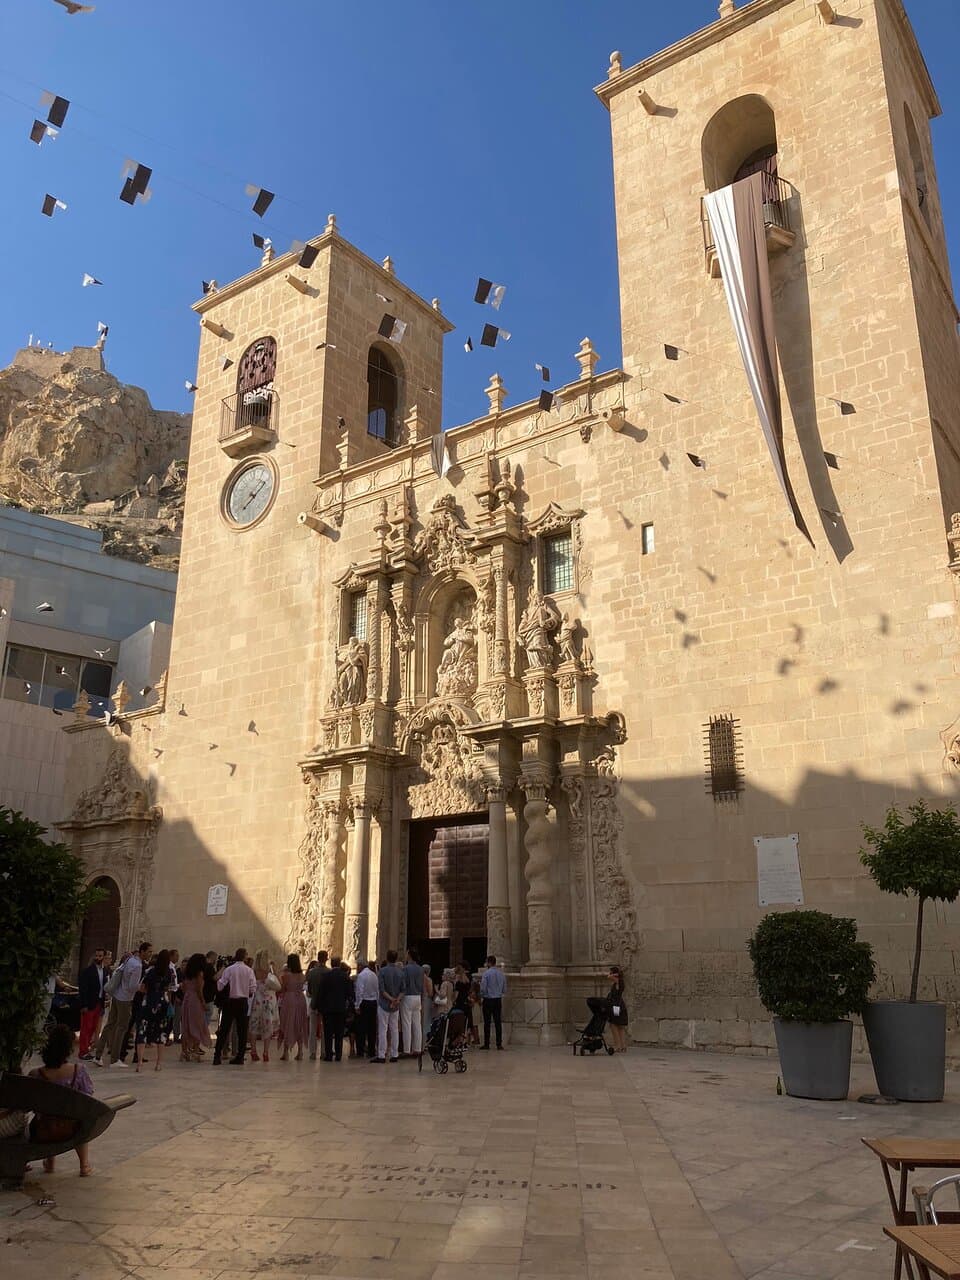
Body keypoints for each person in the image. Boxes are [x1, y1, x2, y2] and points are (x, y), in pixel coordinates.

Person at [29, 1024, 95, 1177]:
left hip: (43, 1130)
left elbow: (30, 1104)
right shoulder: (78, 1071)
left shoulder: (36, 1074)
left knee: (49, 1115)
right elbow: (87, 1099)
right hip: (70, 1130)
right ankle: (84, 1164)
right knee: (77, 1118)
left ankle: (50, 1162)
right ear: (68, 1049)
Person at [94, 941, 152, 1068]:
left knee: (110, 1025)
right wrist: (141, 988)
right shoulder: (138, 966)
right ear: (142, 952)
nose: (150, 954)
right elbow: (132, 986)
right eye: (149, 952)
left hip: (117, 995)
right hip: (125, 998)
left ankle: (98, 1055)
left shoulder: (129, 960)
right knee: (121, 1028)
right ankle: (115, 1059)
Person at [213, 948, 256, 1066]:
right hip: (242, 1002)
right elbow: (253, 988)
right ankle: (240, 1057)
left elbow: (220, 985)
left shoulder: (229, 969)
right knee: (242, 1031)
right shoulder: (249, 971)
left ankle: (217, 1056)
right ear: (244, 957)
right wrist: (246, 991)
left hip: (230, 1002)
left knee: (224, 1029)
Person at [134, 949, 173, 1072]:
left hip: (149, 1002)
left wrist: (149, 993)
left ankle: (139, 1063)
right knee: (161, 1033)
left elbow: (141, 987)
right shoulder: (169, 972)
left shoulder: (151, 971)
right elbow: (168, 989)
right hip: (162, 1003)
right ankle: (158, 1063)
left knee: (142, 1031)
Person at [317, 956, 352, 1061]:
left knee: (328, 1032)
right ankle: (338, 1055)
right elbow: (349, 993)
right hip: (340, 1008)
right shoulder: (345, 976)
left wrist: (319, 1007)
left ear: (331, 964)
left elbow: (321, 993)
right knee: (339, 1033)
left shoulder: (326, 976)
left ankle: (328, 1055)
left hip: (328, 1009)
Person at [249, 950, 281, 1062]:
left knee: (253, 1025)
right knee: (268, 1026)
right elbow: (279, 984)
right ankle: (265, 1052)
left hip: (257, 999)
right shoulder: (269, 970)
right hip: (268, 1001)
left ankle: (253, 1051)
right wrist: (274, 968)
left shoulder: (253, 971)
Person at [374, 949, 403, 1064]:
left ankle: (382, 1054)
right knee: (394, 1029)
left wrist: (391, 999)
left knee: (383, 1029)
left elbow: (382, 990)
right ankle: (394, 1054)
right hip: (395, 1005)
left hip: (384, 1004)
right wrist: (396, 1000)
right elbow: (403, 989)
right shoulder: (400, 972)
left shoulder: (382, 971)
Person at [179, 953, 210, 1062]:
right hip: (195, 1001)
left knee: (186, 1025)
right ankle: (195, 1050)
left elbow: (183, 987)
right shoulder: (199, 974)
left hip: (186, 999)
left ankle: (184, 1051)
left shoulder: (187, 973)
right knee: (197, 1025)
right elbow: (199, 990)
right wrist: (203, 1003)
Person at [278, 953, 308, 1061]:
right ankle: (300, 1052)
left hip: (289, 999)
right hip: (300, 999)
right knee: (299, 1023)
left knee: (287, 1023)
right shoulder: (302, 975)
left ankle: (285, 1052)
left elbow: (282, 988)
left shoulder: (287, 975)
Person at [77, 948, 106, 1060]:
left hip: (99, 1002)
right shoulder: (87, 971)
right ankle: (83, 1051)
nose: (98, 958)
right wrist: (83, 1005)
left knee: (93, 1027)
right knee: (86, 1027)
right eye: (97, 955)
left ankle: (87, 1048)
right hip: (89, 1003)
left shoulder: (105, 971)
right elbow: (83, 989)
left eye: (100, 956)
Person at [479, 955, 507, 1051]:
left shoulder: (486, 974)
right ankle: (499, 1044)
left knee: (487, 1023)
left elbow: (483, 988)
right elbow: (504, 989)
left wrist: (483, 995)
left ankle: (487, 1044)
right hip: (498, 1000)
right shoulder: (501, 974)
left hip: (488, 999)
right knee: (497, 1022)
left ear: (489, 962)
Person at [400, 947, 424, 1058]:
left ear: (409, 955)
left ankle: (406, 1049)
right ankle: (417, 1049)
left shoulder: (405, 969)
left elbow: (404, 984)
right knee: (417, 1024)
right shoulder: (420, 969)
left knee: (406, 1023)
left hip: (408, 996)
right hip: (417, 996)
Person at [306, 950, 329, 1060]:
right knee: (325, 1029)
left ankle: (312, 1052)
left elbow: (309, 989)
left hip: (314, 1002)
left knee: (312, 1029)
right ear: (326, 958)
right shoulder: (329, 972)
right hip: (325, 1004)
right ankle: (324, 1052)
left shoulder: (311, 972)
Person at [353, 960, 378, 1059]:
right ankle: (371, 1050)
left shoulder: (361, 976)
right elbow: (377, 990)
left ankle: (360, 1050)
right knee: (372, 1028)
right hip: (373, 1003)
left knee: (361, 1028)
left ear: (360, 966)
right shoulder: (374, 975)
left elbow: (359, 991)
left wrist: (357, 1005)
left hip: (364, 1003)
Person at [606, 965, 628, 1053]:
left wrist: (615, 974)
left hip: (616, 1006)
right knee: (620, 1027)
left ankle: (618, 1045)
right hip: (619, 1006)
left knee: (613, 1025)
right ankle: (623, 1046)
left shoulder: (618, 981)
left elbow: (609, 977)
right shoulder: (620, 982)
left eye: (611, 972)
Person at [421, 963, 434, 1045]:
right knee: (426, 1022)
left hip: (420, 1000)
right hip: (427, 1000)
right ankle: (424, 1042)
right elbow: (430, 993)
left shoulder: (419, 978)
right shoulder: (428, 980)